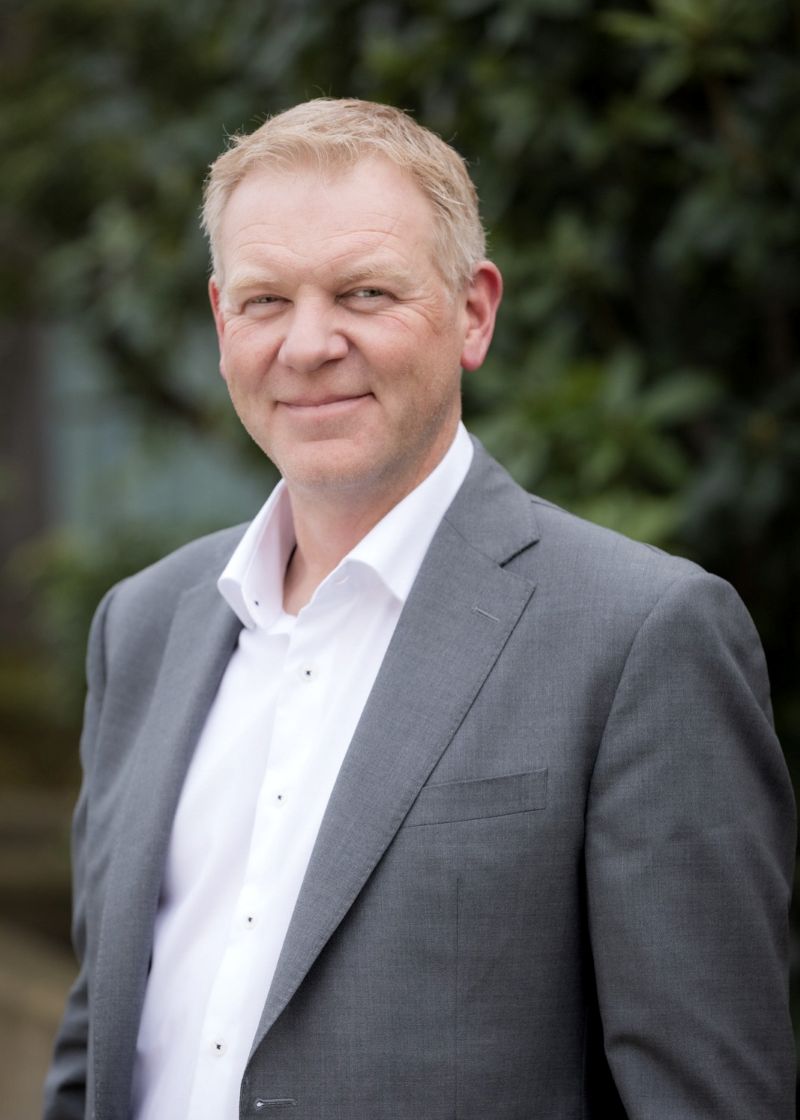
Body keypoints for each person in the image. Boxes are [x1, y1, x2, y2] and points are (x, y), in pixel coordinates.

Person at [44, 98, 795, 1120]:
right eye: (266, 300)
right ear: (222, 321)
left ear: (473, 311)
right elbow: (99, 1044)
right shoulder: (140, 626)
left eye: (363, 291)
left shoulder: (637, 635)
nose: (308, 346)